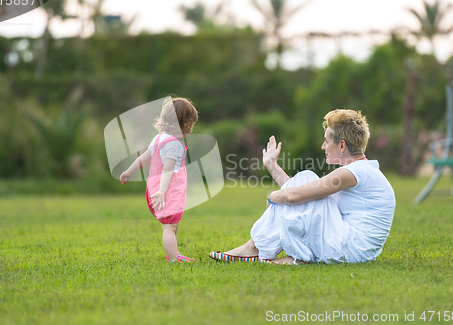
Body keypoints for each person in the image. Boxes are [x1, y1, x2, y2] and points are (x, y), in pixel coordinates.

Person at [209, 109, 396, 265]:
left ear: (341, 145)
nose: (323, 146)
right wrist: (272, 166)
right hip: (353, 248)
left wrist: (271, 197)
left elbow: (294, 196)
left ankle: (255, 248)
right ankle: (296, 257)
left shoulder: (352, 173)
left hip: (350, 249)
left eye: (326, 141)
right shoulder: (360, 171)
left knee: (306, 177)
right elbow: (303, 196)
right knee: (304, 184)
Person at [120, 97, 198, 263]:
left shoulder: (158, 139)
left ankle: (174, 253)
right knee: (169, 227)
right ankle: (173, 258)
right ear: (184, 124)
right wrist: (162, 192)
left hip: (153, 190)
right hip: (166, 192)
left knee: (172, 225)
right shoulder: (175, 144)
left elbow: (144, 158)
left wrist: (129, 171)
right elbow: (168, 169)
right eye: (191, 124)